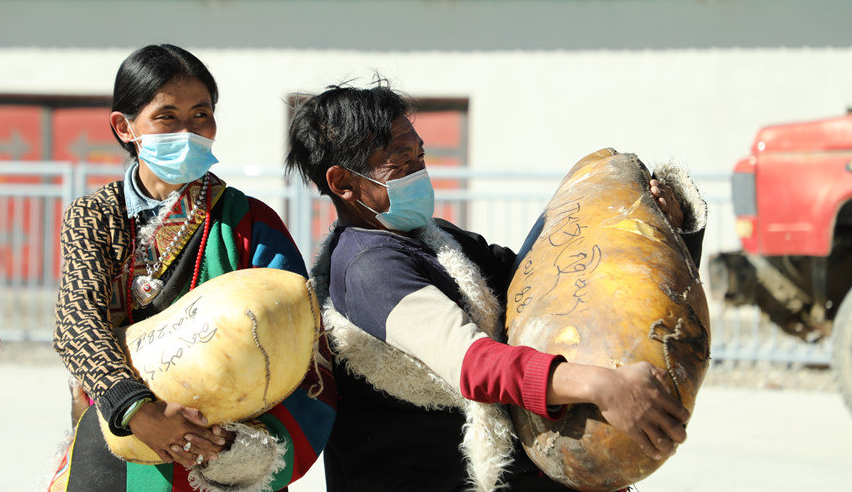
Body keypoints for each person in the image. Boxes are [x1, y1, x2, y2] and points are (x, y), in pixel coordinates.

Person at [285, 80, 707, 492]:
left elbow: (548, 283)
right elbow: (472, 362)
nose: (420, 170)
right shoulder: (366, 269)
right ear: (343, 183)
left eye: (420, 155)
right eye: (401, 161)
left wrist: (664, 228)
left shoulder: (439, 240)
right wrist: (601, 386)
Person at [48, 44, 336, 492]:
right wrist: (138, 411)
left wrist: (234, 450)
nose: (188, 130)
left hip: (217, 456)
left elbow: (302, 343)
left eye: (201, 114)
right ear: (124, 127)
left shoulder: (249, 222)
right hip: (113, 448)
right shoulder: (95, 216)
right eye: (167, 117)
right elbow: (76, 321)